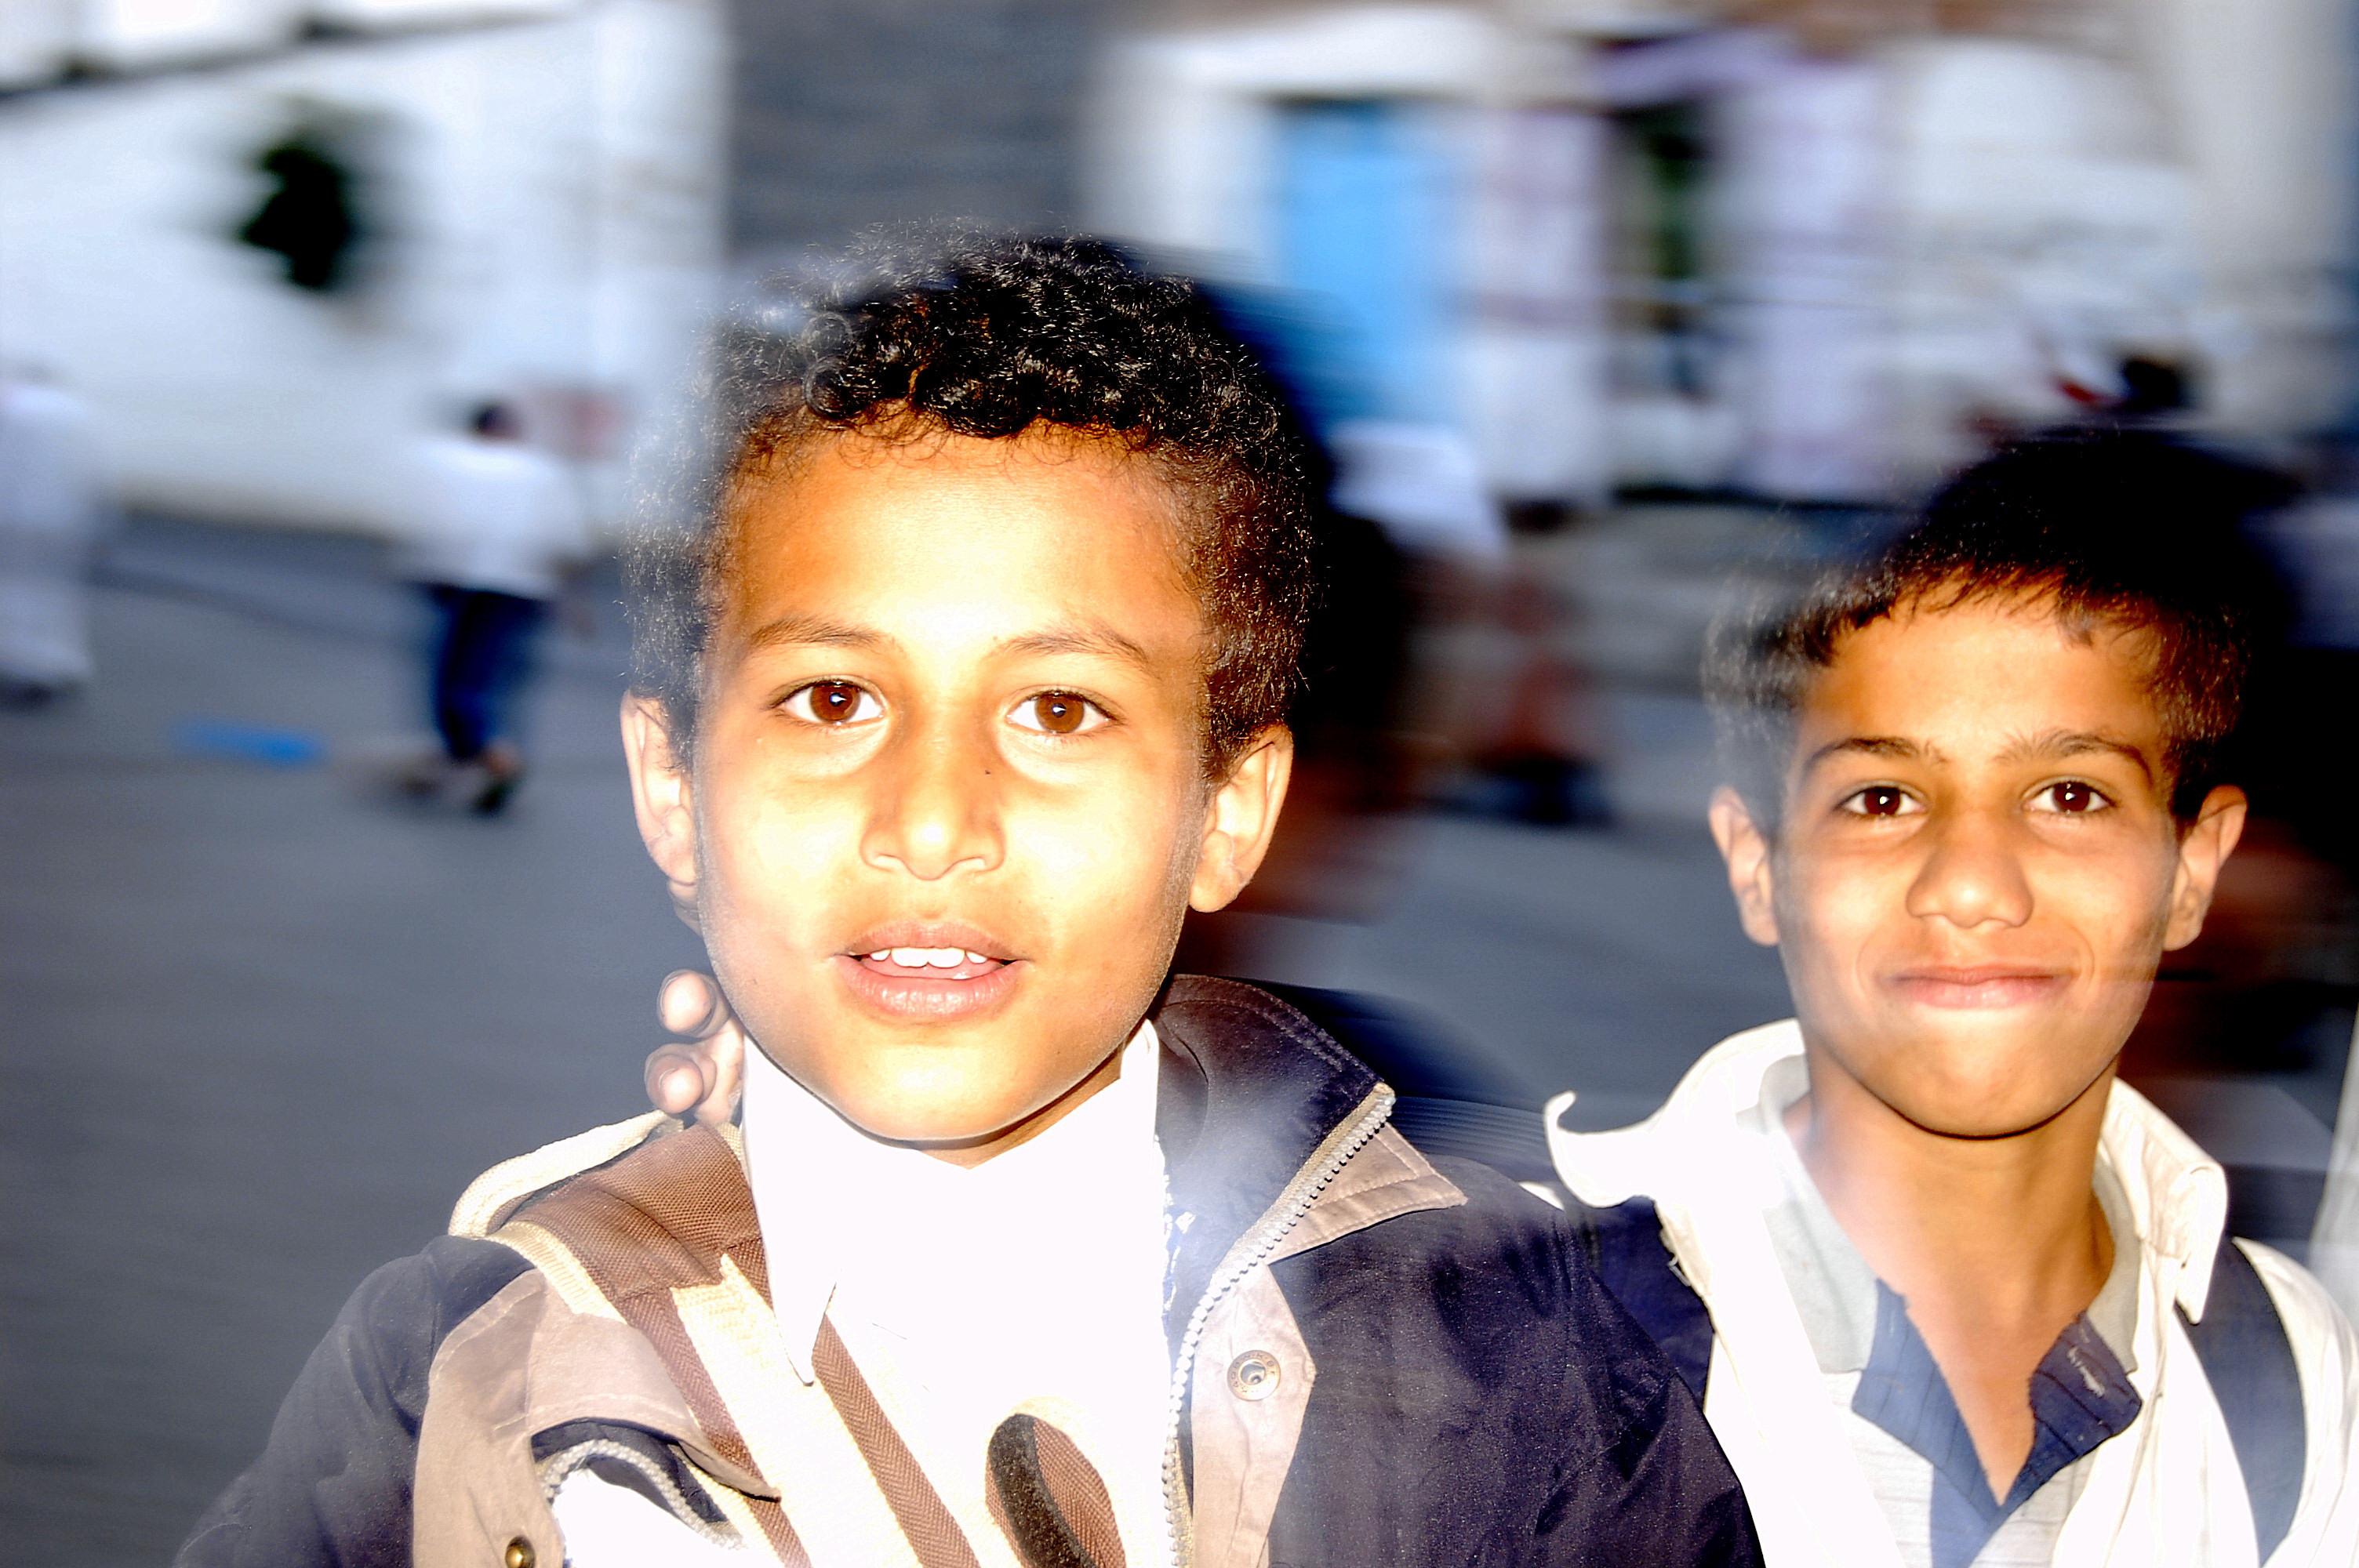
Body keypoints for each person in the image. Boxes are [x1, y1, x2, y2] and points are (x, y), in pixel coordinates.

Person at [177, 236, 1759, 1568]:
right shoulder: (458, 1372)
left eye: (1059, 711)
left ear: (1234, 810)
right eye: (831, 700)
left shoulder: (1537, 1362)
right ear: (672, 791)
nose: (933, 823)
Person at [1538, 457, 2358, 1565]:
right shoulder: (1535, 1336)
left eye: (2069, 795)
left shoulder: (2290, 1376)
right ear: (1756, 864)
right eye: (1881, 799)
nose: (1971, 886)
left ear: (2192, 870)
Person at [399, 400, 589, 813]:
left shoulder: (449, 460)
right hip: (523, 587)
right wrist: (572, 601)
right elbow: (566, 541)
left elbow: (426, 521)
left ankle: (487, 754)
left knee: (456, 672)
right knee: (502, 675)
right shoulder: (542, 470)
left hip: (459, 580)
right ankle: (480, 749)